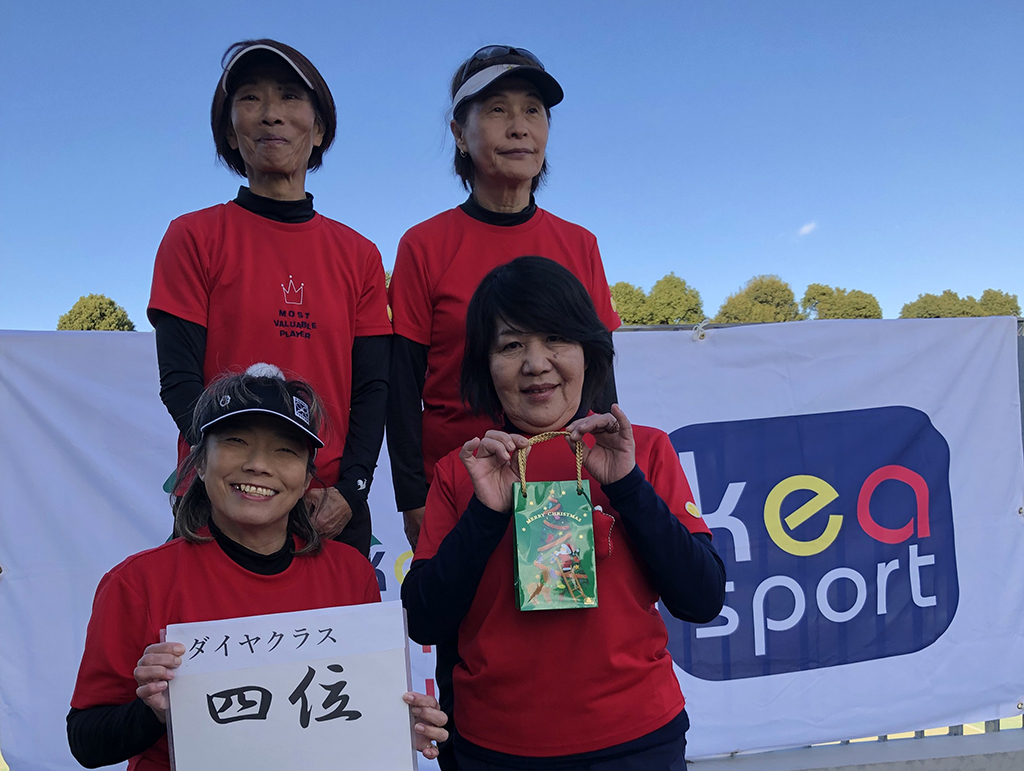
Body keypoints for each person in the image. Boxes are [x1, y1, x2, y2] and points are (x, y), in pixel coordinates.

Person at [402, 257, 726, 770]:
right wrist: (486, 513)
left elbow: (702, 599)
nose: (536, 364)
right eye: (511, 346)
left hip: (639, 739)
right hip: (497, 749)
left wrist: (627, 486)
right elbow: (425, 619)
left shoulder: (644, 451)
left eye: (556, 338)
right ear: (486, 366)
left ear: (589, 352)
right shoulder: (461, 472)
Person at [68, 365, 447, 770]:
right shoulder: (137, 583)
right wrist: (153, 712)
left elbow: (348, 709)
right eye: (235, 441)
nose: (258, 464)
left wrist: (394, 723)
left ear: (306, 478)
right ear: (199, 463)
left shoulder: (350, 573)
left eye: (286, 450)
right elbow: (86, 743)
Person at [149, 39, 391, 557]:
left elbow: (373, 387)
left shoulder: (360, 254)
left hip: (328, 506)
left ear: (319, 128)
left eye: (289, 96)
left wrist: (351, 490)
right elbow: (179, 381)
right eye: (251, 98)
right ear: (229, 132)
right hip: (222, 499)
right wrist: (243, 478)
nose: (270, 114)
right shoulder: (192, 237)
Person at [387, 45, 621, 551]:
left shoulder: (580, 244)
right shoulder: (423, 245)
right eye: (497, 110)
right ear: (459, 134)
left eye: (533, 110)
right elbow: (401, 385)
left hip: (564, 485)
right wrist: (412, 494)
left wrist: (607, 478)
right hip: (459, 483)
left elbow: (600, 375)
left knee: (565, 600)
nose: (519, 128)